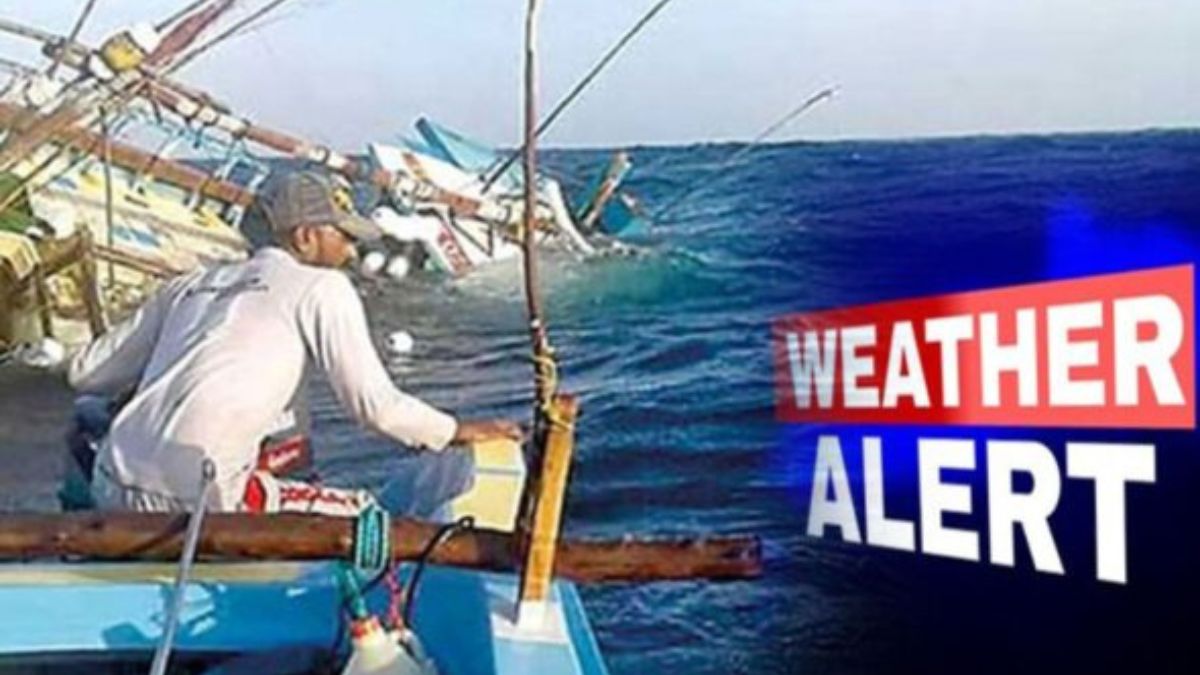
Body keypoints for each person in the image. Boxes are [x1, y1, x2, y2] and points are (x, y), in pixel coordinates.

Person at [66, 170, 519, 515]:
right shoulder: (321, 287)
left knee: (93, 414)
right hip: (203, 500)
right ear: (305, 236)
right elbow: (376, 408)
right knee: (370, 517)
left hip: (111, 483)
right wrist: (454, 431)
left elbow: (85, 373)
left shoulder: (187, 285)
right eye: (343, 236)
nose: (350, 250)